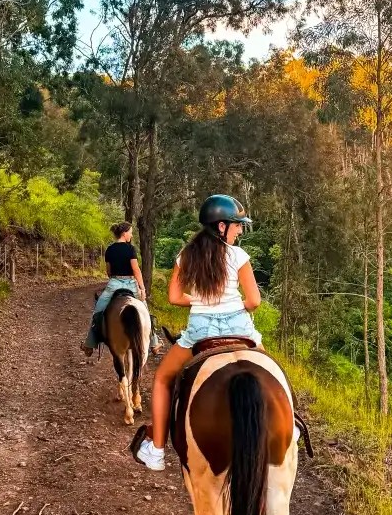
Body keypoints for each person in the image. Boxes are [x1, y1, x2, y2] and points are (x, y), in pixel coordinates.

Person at [135, 194, 261, 473]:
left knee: (163, 379)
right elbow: (253, 301)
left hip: (200, 330)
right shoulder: (238, 256)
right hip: (239, 326)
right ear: (221, 227)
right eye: (236, 225)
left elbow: (173, 297)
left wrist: (202, 301)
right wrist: (230, 304)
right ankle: (292, 424)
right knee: (272, 371)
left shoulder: (186, 255)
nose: (240, 230)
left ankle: (156, 451)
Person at [81, 222, 146, 355]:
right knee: (144, 310)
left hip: (114, 283)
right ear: (124, 233)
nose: (131, 235)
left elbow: (109, 271)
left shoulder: (109, 249)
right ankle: (154, 342)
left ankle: (90, 343)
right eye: (130, 232)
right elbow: (136, 269)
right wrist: (142, 288)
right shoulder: (130, 249)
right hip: (130, 283)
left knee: (98, 310)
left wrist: (115, 278)